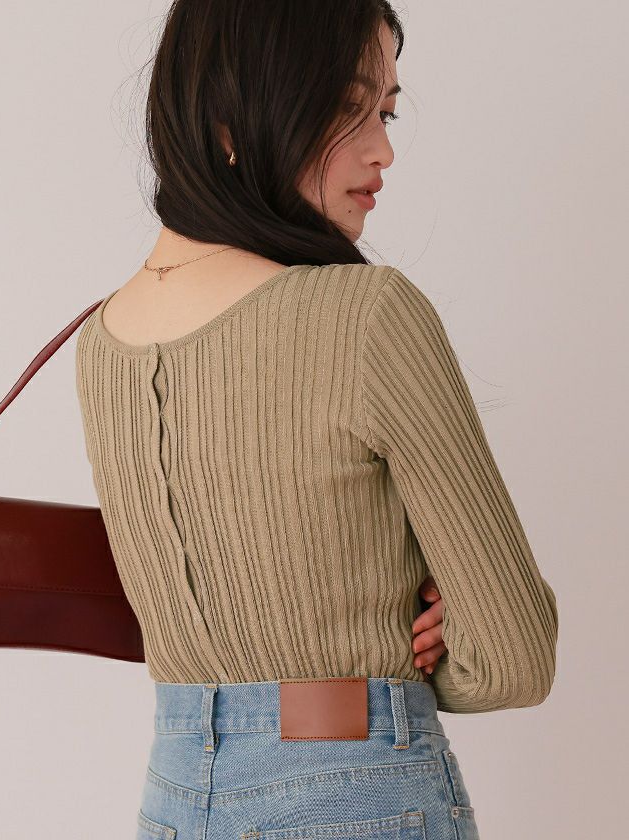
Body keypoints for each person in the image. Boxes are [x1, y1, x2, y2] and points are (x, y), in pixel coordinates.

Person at [75, 2, 559, 838]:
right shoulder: (367, 315)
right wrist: (420, 660)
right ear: (231, 118)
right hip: (360, 796)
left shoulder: (100, 342)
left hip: (173, 801)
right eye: (347, 107)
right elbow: (515, 658)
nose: (383, 150)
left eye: (386, 112)